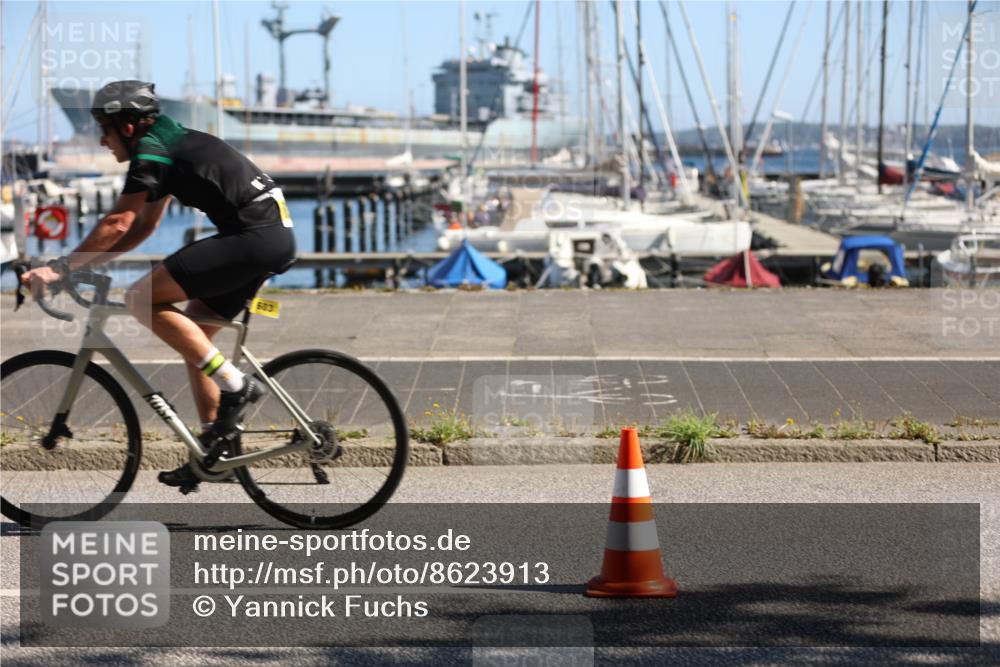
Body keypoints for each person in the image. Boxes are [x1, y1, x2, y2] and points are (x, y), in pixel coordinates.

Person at [20, 80, 297, 491]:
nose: (101, 141)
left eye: (105, 129)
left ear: (127, 127)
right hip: (271, 235)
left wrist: (59, 268)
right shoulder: (168, 143)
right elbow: (141, 229)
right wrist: (79, 267)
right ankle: (214, 451)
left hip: (254, 237)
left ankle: (239, 387)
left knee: (142, 298)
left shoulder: (151, 150)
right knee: (196, 340)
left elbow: (118, 221)